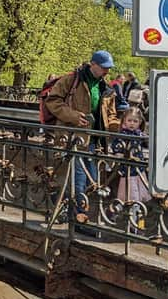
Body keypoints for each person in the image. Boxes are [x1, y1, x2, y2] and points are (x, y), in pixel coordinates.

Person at [44, 50, 120, 223]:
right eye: (103, 68)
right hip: (74, 138)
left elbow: (111, 114)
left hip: (94, 140)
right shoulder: (72, 80)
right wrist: (73, 116)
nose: (107, 71)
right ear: (92, 64)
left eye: (108, 68)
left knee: (92, 180)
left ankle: (81, 215)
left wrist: (118, 126)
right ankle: (78, 218)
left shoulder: (105, 87)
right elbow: (53, 101)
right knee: (79, 178)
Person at [112, 108, 150, 232]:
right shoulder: (122, 135)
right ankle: (130, 223)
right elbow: (117, 150)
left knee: (139, 199)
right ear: (124, 121)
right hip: (128, 172)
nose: (132, 123)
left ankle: (139, 222)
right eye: (129, 120)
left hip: (139, 171)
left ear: (139, 122)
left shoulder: (139, 134)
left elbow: (147, 143)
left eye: (135, 121)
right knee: (131, 198)